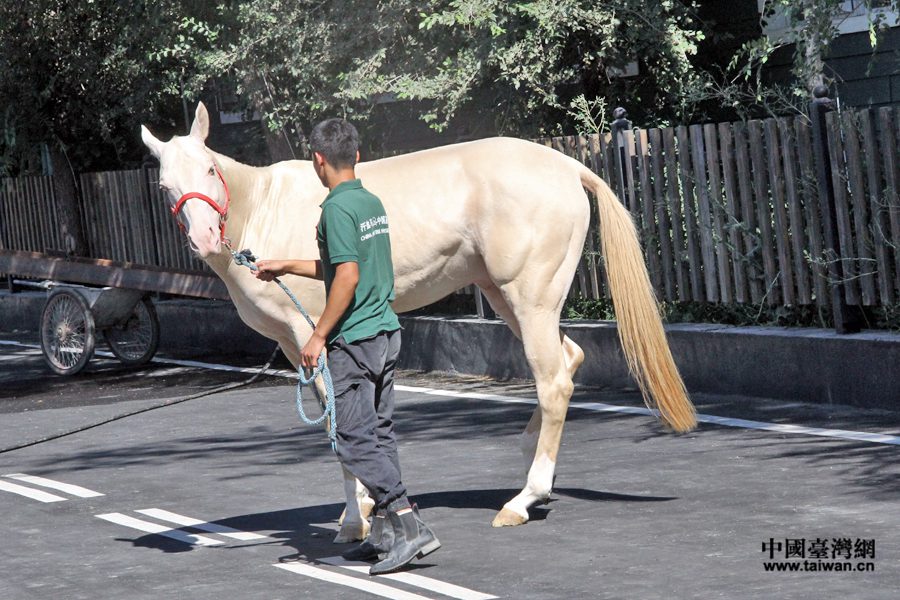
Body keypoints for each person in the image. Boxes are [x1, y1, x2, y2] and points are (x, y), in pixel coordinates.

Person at [254, 118, 439, 575]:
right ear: (355, 155)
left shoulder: (335, 209)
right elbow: (342, 264)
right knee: (380, 435)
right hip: (385, 333)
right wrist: (285, 266)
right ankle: (385, 533)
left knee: (353, 443)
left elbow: (348, 276)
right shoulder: (368, 202)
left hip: (355, 340)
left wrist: (317, 336)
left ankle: (409, 525)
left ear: (318, 161)